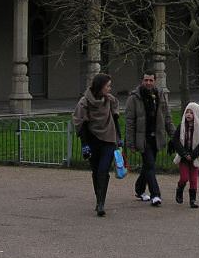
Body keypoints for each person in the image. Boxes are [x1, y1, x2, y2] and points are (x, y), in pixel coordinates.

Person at [73, 73, 122, 217]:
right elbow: (80, 123)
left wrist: (119, 137)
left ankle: (101, 203)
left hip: (108, 140)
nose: (109, 88)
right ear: (100, 86)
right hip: (92, 140)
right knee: (96, 172)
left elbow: (115, 118)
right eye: (107, 86)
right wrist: (84, 144)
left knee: (103, 171)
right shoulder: (85, 102)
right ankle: (98, 198)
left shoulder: (110, 100)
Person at [124, 71, 173, 206]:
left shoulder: (160, 95)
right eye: (146, 80)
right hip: (143, 138)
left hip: (156, 137)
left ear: (155, 81)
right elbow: (129, 122)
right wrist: (131, 143)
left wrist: (173, 135)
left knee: (148, 166)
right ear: (142, 81)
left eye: (151, 80)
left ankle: (139, 189)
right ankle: (155, 195)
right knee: (150, 165)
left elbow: (167, 117)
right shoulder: (134, 98)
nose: (148, 83)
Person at [170, 101, 199, 209]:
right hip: (184, 157)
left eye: (191, 113)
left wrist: (193, 154)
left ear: (196, 114)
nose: (188, 115)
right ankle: (179, 189)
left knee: (193, 179)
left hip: (194, 157)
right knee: (184, 177)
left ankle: (192, 200)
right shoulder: (181, 127)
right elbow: (176, 141)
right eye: (187, 112)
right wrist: (184, 153)